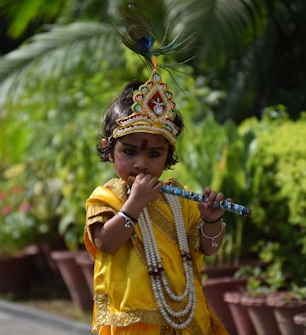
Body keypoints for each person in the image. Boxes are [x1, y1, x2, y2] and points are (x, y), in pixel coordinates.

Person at [84, 64, 232, 334]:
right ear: (108, 148)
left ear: (168, 156)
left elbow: (207, 248)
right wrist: (135, 204)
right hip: (133, 323)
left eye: (154, 155)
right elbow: (105, 243)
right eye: (129, 152)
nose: (141, 164)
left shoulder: (180, 200)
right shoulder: (106, 197)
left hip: (185, 318)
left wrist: (211, 221)